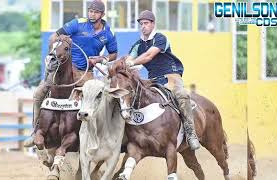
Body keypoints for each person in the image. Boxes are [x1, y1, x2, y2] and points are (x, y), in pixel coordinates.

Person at [24, 0, 117, 147]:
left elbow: (114, 54)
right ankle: (35, 131)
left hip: (86, 72)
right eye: (90, 11)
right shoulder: (77, 23)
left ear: (102, 14)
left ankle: (95, 137)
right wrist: (53, 53)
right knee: (38, 93)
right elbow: (53, 37)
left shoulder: (109, 33)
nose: (92, 14)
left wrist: (100, 58)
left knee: (96, 99)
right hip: (64, 68)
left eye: (96, 12)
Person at [125, 10, 200, 150]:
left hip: (170, 76)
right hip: (152, 81)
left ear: (153, 24)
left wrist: (131, 63)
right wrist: (122, 64)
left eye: (146, 23)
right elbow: (128, 59)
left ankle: (191, 134)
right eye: (141, 24)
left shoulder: (161, 38)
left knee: (182, 95)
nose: (143, 26)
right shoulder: (137, 44)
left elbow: (148, 56)